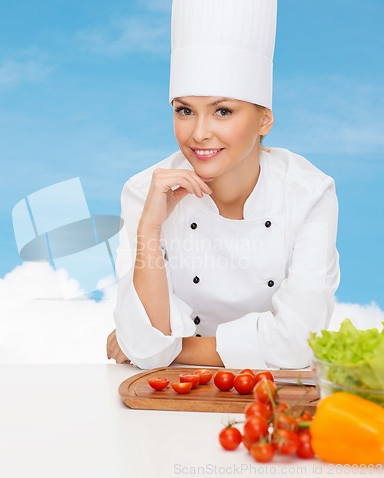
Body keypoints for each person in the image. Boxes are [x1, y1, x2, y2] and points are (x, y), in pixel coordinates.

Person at [107, 0, 340, 370]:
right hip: (169, 407)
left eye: (223, 111)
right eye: (185, 110)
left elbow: (298, 346)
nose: (199, 133)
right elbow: (148, 349)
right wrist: (149, 230)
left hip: (270, 403)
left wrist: (172, 349)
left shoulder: (308, 194)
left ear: (264, 120)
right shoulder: (145, 191)